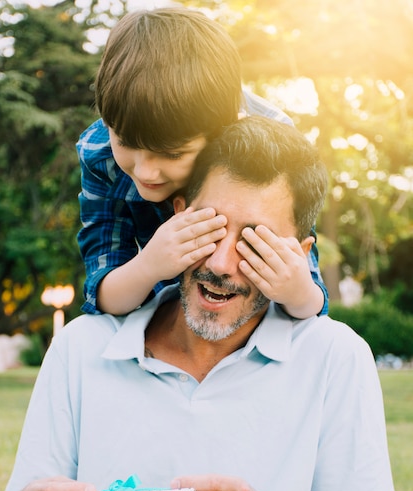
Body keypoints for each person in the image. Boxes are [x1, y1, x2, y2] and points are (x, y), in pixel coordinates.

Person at [0, 117, 396, 491]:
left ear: (299, 255)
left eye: (256, 242)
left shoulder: (336, 356)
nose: (224, 263)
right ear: (178, 215)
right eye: (211, 226)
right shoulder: (80, 346)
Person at [77, 7, 328, 319]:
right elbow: (102, 293)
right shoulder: (99, 151)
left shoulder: (276, 157)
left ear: (223, 133)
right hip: (159, 314)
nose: (144, 172)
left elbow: (310, 295)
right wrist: (149, 264)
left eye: (172, 154)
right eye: (125, 143)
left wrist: (298, 293)